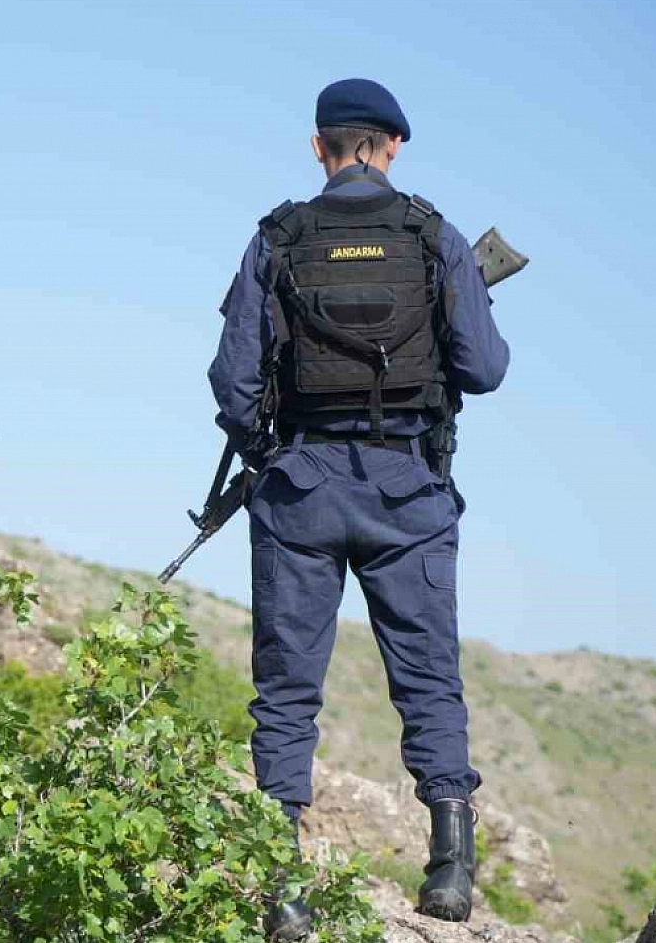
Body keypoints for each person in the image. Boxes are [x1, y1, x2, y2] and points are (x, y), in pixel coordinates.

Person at [207, 78, 509, 938]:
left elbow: (233, 386)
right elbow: (484, 369)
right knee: (427, 679)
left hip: (299, 491)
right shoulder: (434, 235)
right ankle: (449, 870)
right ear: (393, 146)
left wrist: (274, 448)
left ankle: (283, 893)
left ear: (319, 148)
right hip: (407, 492)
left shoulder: (277, 238)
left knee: (287, 690)